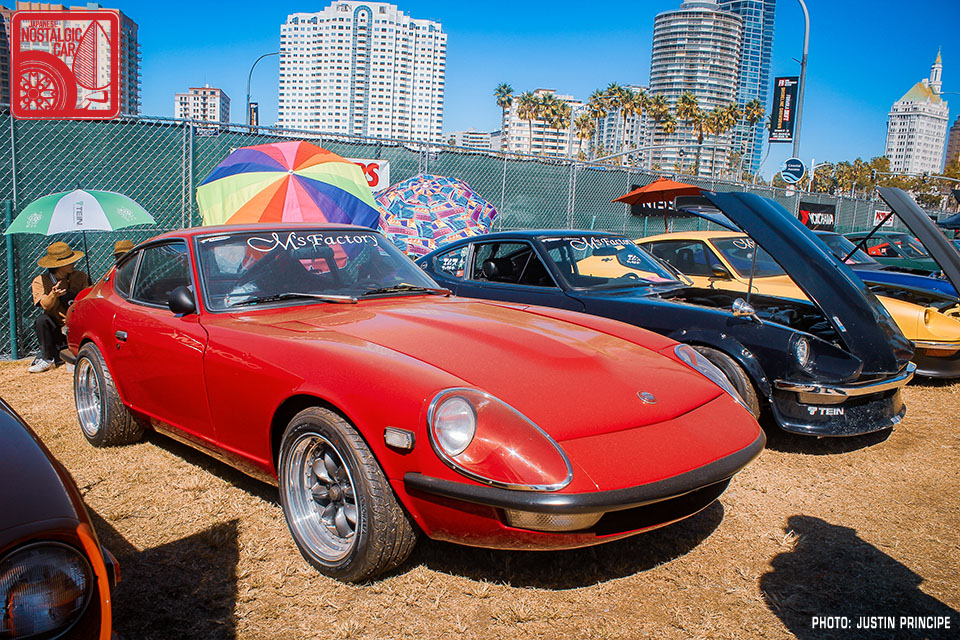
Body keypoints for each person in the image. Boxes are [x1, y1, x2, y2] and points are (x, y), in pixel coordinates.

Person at [28, 241, 91, 373]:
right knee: (42, 320)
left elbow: (88, 299)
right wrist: (53, 295)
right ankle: (47, 358)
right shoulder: (40, 281)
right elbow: (45, 305)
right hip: (57, 327)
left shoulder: (80, 276)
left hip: (75, 325)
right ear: (59, 265)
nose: (73, 263)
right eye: (69, 261)